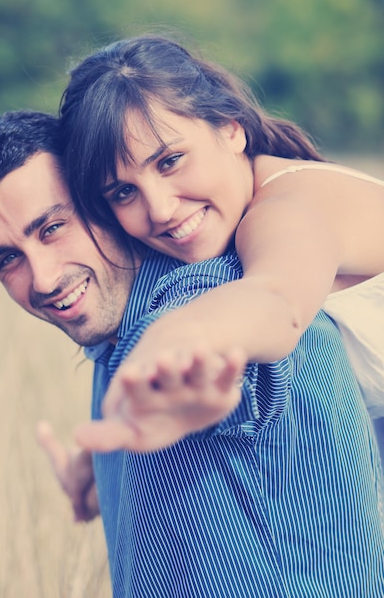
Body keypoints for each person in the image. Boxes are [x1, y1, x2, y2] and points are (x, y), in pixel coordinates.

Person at [0, 110, 384, 597]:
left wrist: (195, 371)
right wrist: (108, 462)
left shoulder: (209, 297)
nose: (42, 278)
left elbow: (241, 364)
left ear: (103, 205)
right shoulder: (115, 337)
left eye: (53, 228)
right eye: (6, 259)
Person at [57, 33, 384, 458]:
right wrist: (102, 458)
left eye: (170, 161)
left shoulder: (285, 210)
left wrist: (181, 335)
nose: (159, 209)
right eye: (122, 192)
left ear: (231, 130)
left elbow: (277, 299)